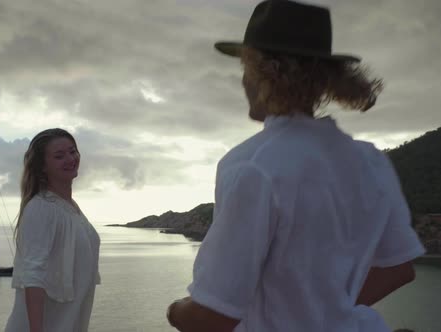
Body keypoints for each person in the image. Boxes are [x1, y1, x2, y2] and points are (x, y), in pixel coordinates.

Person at [166, 1, 425, 331]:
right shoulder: (370, 161)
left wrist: (174, 310)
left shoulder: (252, 165)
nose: (243, 80)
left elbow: (213, 317)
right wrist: (326, 311)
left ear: (265, 73)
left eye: (246, 68)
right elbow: (399, 267)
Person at [5, 128, 100, 332]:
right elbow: (33, 277)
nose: (70, 158)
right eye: (59, 156)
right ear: (42, 166)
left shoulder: (70, 207)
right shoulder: (41, 208)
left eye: (73, 151)